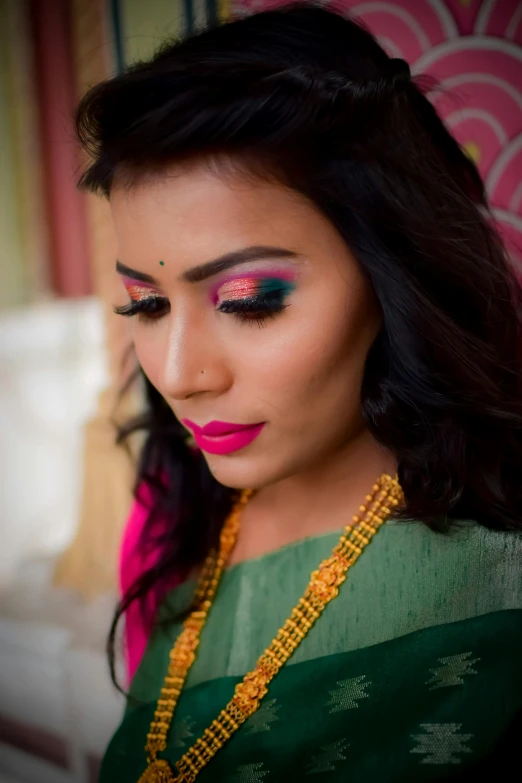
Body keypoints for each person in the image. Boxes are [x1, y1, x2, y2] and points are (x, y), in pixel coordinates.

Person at [75, 3, 522, 781]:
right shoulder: (169, 528)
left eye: (249, 298)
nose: (179, 372)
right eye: (145, 304)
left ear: (393, 278)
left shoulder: (499, 580)